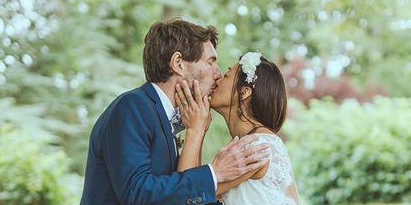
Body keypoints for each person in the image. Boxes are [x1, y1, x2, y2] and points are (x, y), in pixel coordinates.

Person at [80, 19, 270, 205]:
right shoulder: (132, 106)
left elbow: (174, 196)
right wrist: (215, 172)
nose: (218, 74)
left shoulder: (163, 117)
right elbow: (136, 192)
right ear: (178, 63)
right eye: (210, 62)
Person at [176, 51, 299, 204]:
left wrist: (194, 129)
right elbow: (195, 189)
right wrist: (199, 129)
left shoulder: (256, 146)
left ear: (244, 92)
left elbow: (187, 196)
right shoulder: (254, 143)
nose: (218, 79)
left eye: (227, 76)